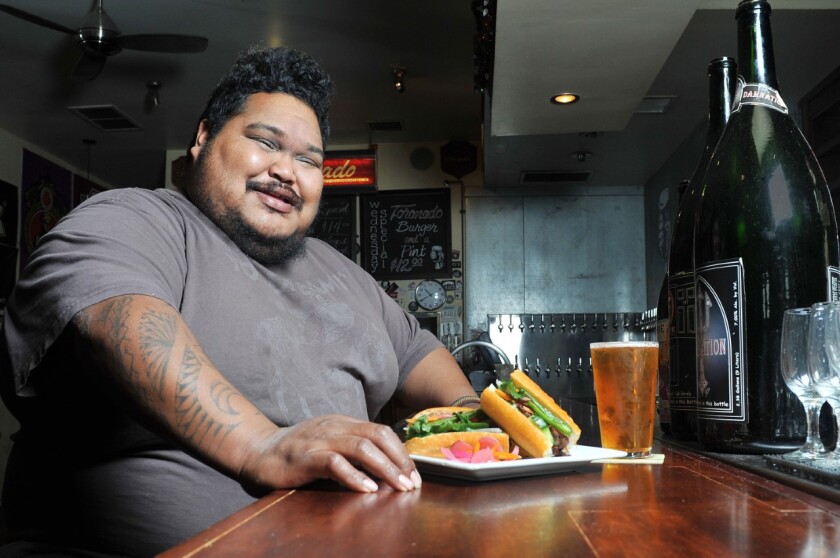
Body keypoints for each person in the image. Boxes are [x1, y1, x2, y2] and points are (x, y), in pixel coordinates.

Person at [0, 45, 477, 557]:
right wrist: (262, 446)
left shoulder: (342, 272)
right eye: (265, 143)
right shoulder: (135, 219)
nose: (286, 171)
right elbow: (116, 320)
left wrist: (476, 418)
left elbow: (416, 351)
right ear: (204, 138)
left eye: (308, 160)